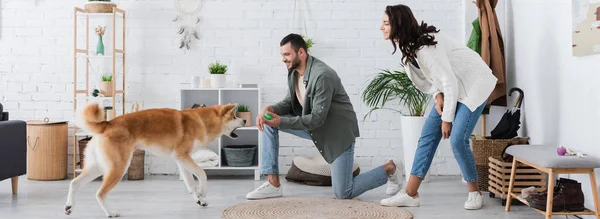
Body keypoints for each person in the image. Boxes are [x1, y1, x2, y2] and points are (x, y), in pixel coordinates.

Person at [246, 33, 403, 200]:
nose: (283, 59)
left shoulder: (322, 75)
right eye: (282, 55)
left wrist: (281, 120)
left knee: (343, 192)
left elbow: (317, 119)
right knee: (267, 122)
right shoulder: (293, 72)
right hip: (315, 128)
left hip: (336, 134)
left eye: (287, 54)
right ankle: (273, 184)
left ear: (301, 52)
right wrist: (268, 109)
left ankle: (389, 169)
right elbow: (289, 102)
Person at [378, 4, 498, 210]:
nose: (381, 27)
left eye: (386, 23)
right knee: (427, 136)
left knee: (458, 140)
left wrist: (447, 118)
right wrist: (437, 94)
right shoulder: (408, 46)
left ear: (398, 24)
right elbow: (430, 78)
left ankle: (475, 193)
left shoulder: (425, 48)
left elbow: (449, 79)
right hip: (452, 87)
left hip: (473, 84)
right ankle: (410, 193)